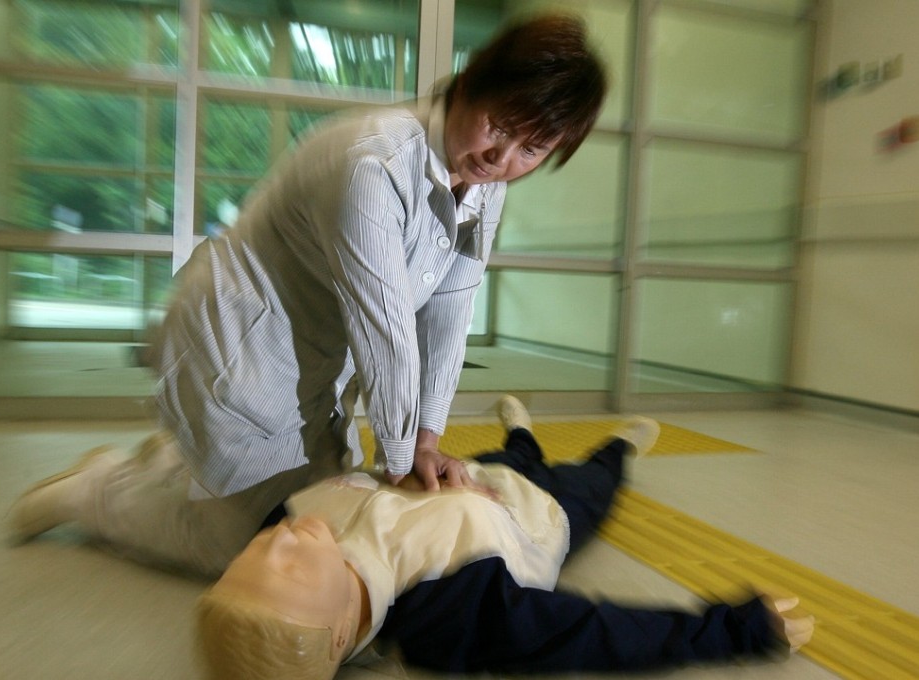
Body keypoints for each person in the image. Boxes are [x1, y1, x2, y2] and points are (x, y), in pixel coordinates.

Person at [149, 12, 608, 507]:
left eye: (532, 150)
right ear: (474, 83)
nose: (502, 158)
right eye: (499, 125)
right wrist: (405, 457)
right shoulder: (373, 161)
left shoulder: (484, 186)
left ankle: (165, 472)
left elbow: (449, 313)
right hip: (237, 342)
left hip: (317, 357)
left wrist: (425, 443)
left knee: (330, 504)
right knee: (256, 535)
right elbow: (384, 323)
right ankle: (104, 491)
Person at [197, 397, 815, 679]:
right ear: (338, 633)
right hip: (545, 514)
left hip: (459, 474)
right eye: (288, 570)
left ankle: (520, 430)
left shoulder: (288, 522)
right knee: (596, 478)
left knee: (509, 452)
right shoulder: (445, 614)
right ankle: (620, 444)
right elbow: (589, 635)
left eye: (249, 558)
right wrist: (735, 631)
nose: (273, 544)